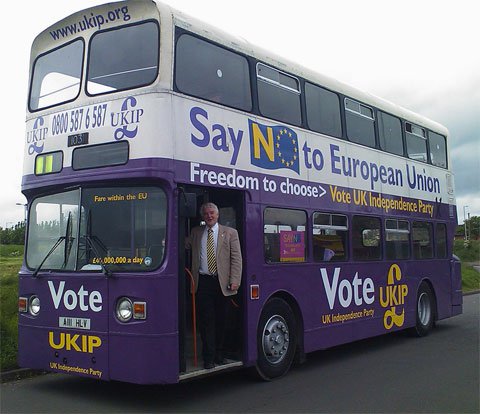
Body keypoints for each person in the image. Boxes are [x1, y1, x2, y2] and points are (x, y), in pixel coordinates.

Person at [186, 202, 242, 369]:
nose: (209, 216)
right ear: (203, 217)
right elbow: (183, 245)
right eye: (206, 214)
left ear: (217, 215)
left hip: (222, 283)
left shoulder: (230, 233)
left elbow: (236, 259)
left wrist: (235, 280)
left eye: (212, 213)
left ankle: (220, 354)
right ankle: (208, 358)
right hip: (202, 282)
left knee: (222, 321)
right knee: (206, 321)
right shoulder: (196, 232)